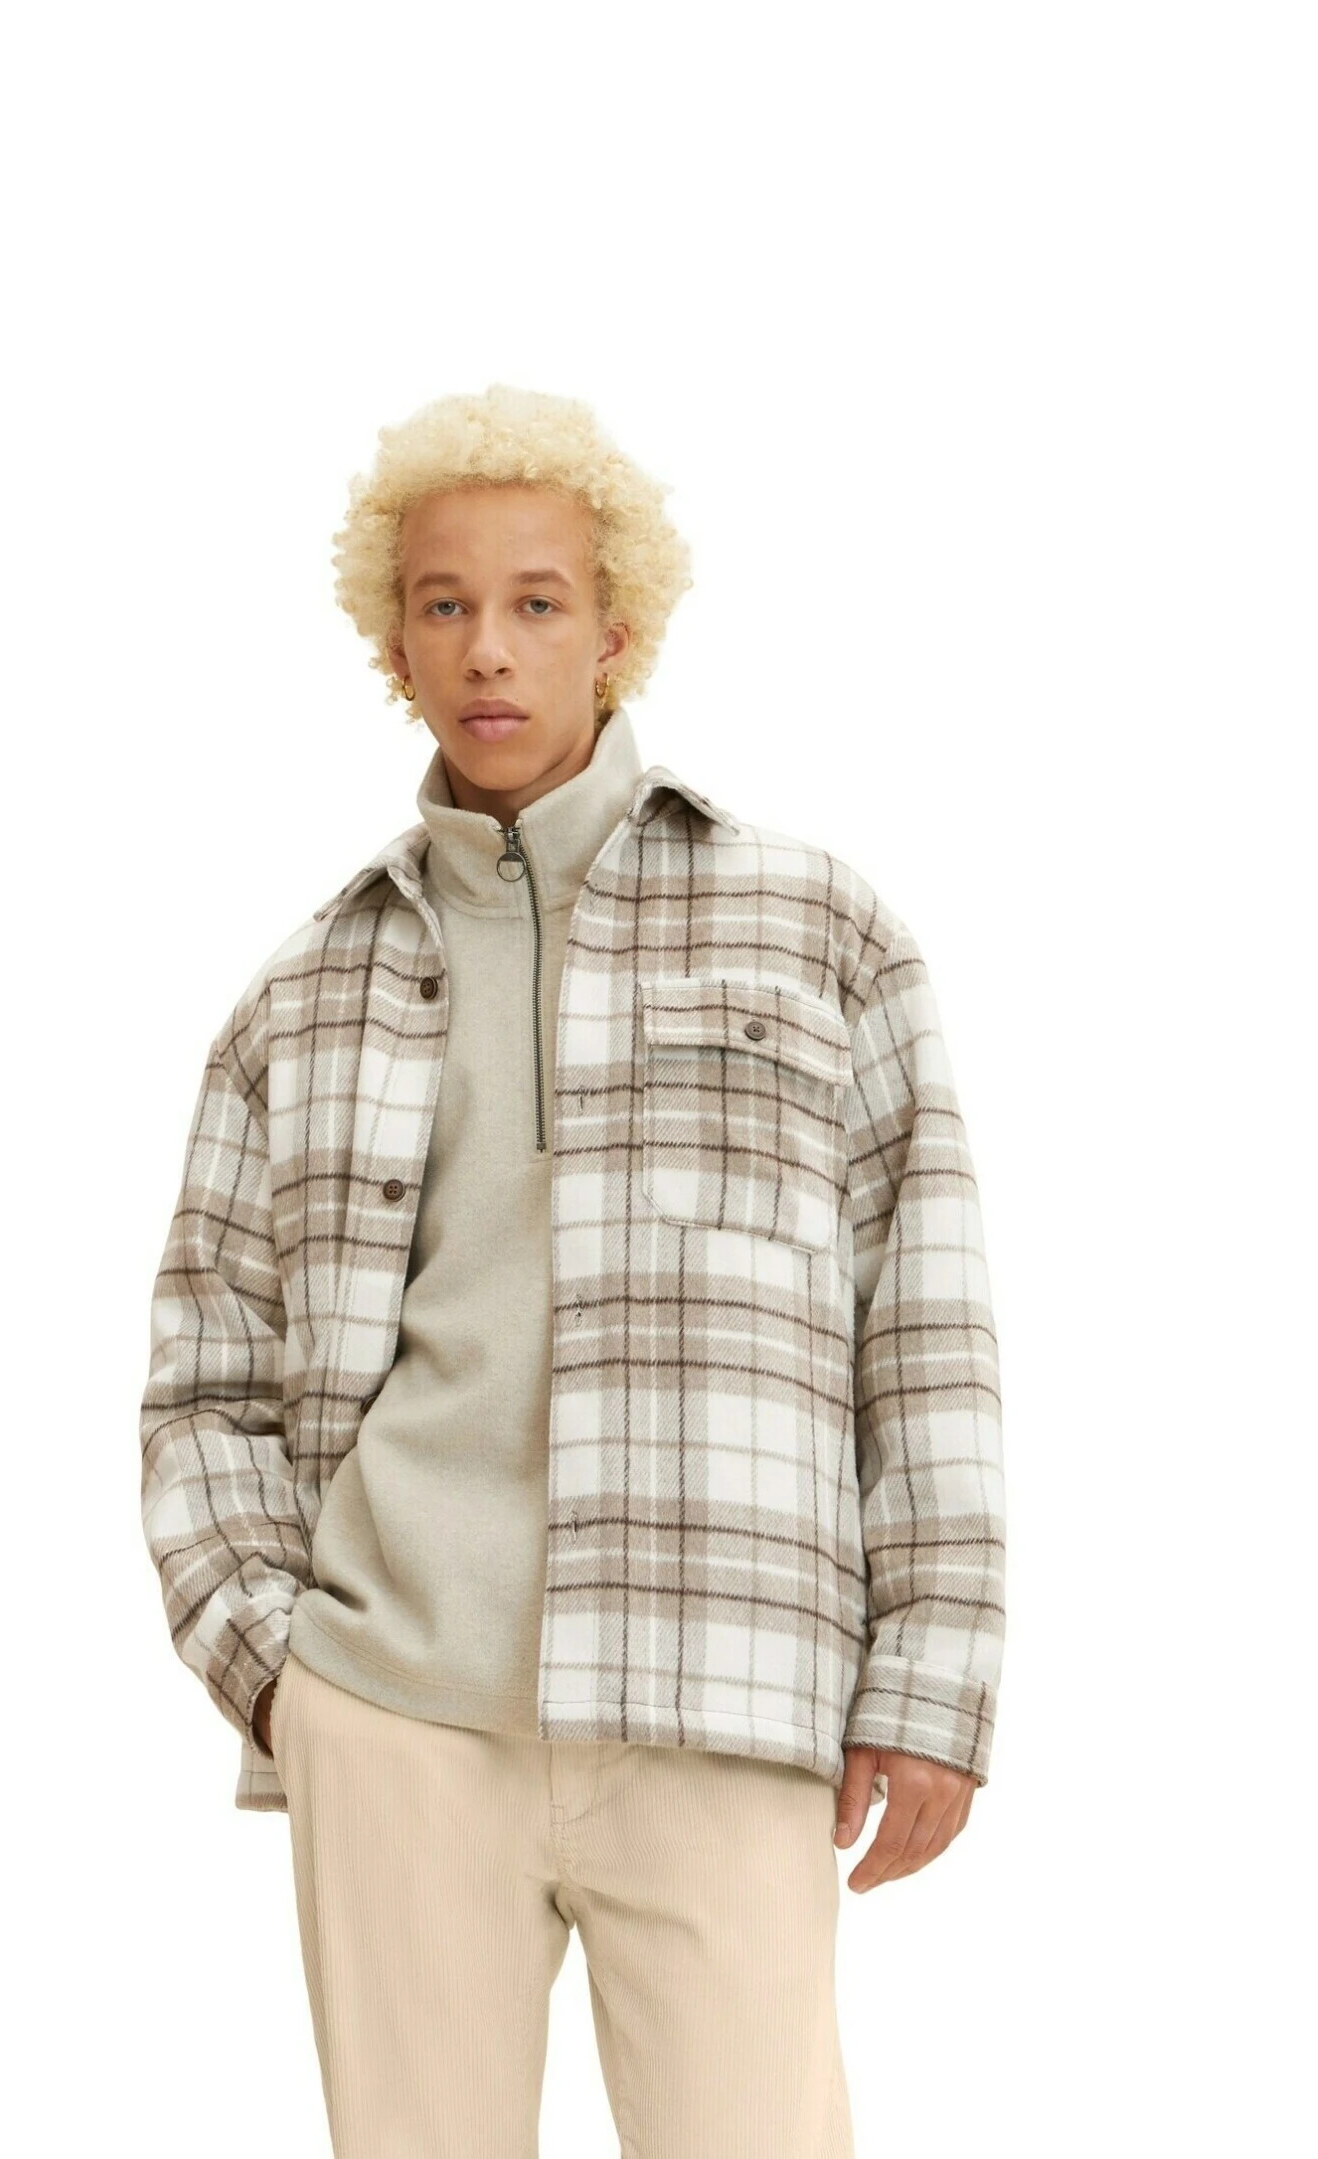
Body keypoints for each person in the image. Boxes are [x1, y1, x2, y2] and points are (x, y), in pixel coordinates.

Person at [139, 382, 1006, 2158]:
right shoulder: (302, 994)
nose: (490, 647)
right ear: (394, 642)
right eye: (445, 603)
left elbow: (920, 1319)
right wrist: (287, 1675)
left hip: (719, 1683)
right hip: (397, 1711)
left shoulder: (814, 926)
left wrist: (933, 1674)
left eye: (537, 602)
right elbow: (203, 1376)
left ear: (617, 631)